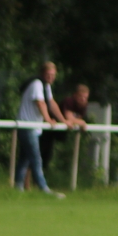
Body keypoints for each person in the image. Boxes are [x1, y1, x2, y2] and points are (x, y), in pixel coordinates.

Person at [15, 61, 77, 196]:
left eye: (53, 75)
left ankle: (18, 188)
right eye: (48, 74)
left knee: (24, 159)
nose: (51, 77)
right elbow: (40, 103)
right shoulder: (37, 84)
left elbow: (51, 103)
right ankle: (43, 188)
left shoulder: (45, 86)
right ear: (43, 74)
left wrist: (63, 120)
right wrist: (48, 119)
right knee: (36, 159)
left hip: (33, 127)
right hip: (28, 126)